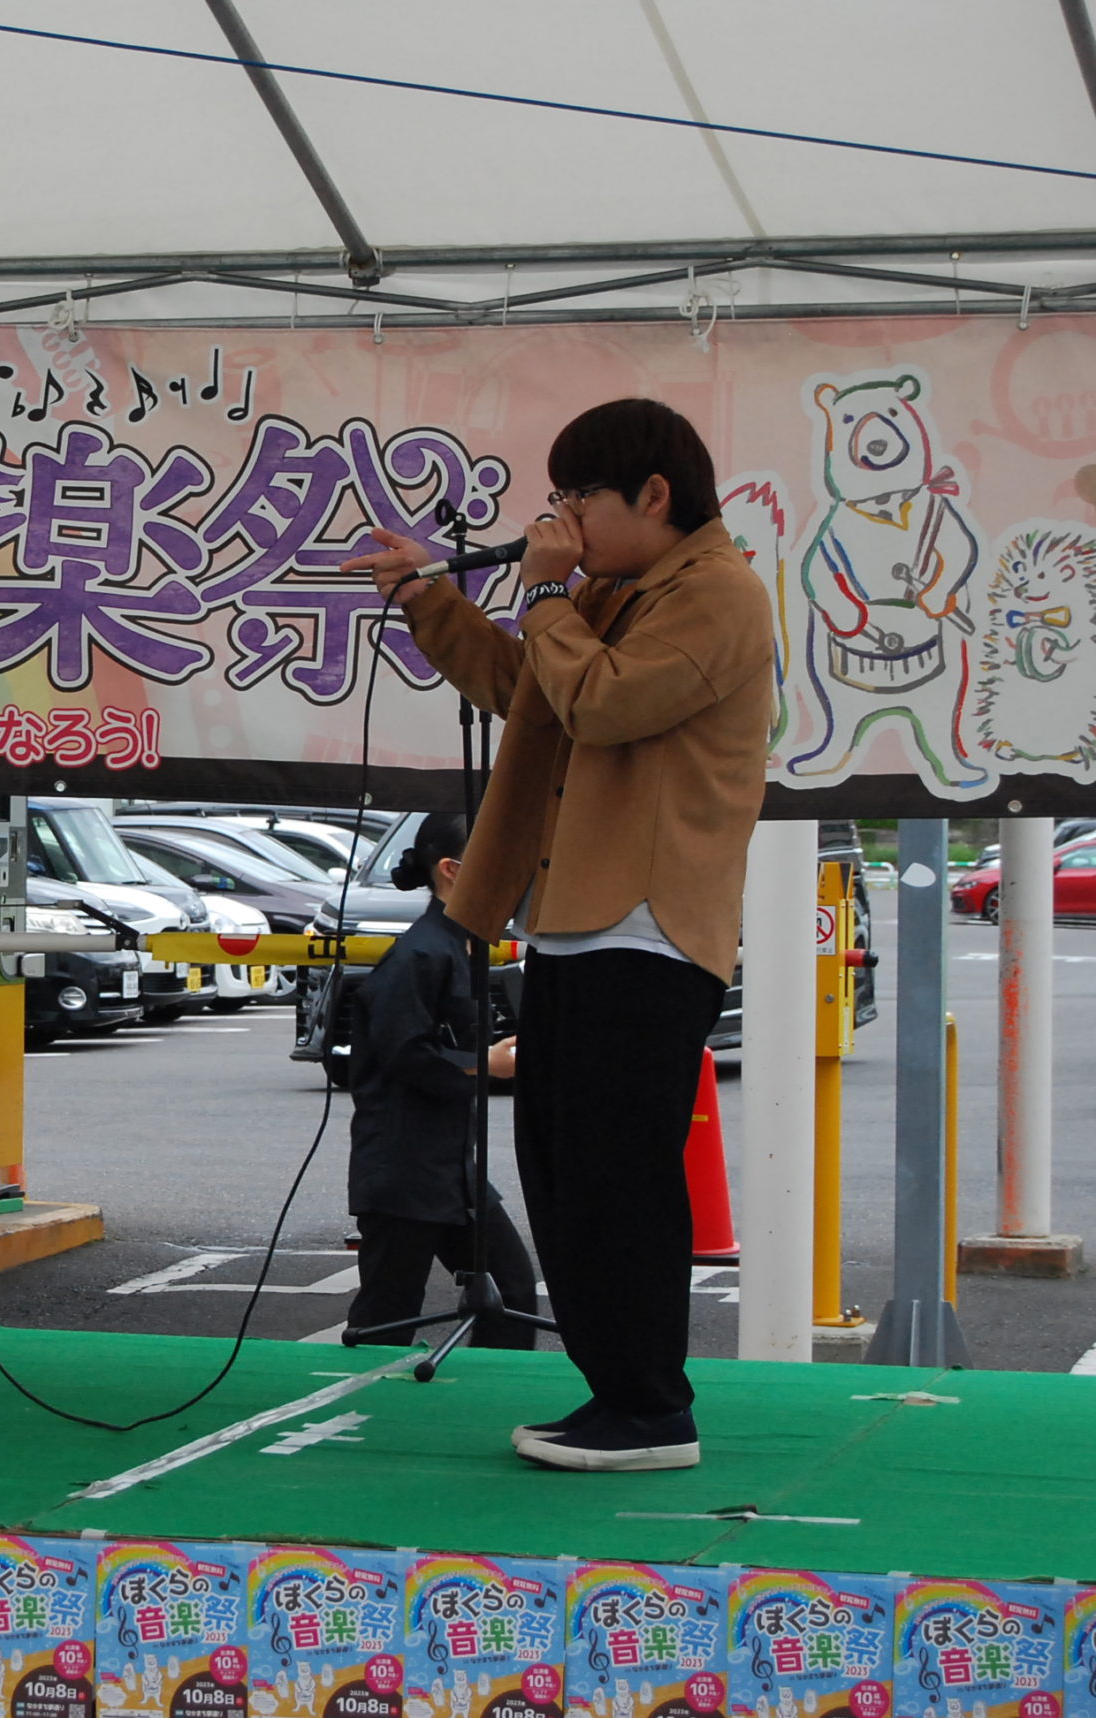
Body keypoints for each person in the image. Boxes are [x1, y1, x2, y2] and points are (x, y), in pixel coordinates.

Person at [344, 398, 775, 1473]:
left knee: (620, 1175)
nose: (563, 517)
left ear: (654, 494)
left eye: (579, 495)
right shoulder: (610, 593)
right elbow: (527, 689)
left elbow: (603, 703)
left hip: (651, 923)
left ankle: (652, 1409)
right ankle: (615, 1393)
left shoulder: (717, 592)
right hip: (580, 920)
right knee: (566, 1170)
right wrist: (429, 598)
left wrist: (541, 591)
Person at [343, 810, 539, 1350]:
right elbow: (404, 1054)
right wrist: (486, 1064)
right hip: (403, 1167)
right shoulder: (420, 953)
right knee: (388, 1312)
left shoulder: (460, 943)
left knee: (511, 1291)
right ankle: (355, 1397)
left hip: (451, 1168)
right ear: (452, 870)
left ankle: (490, 1390)